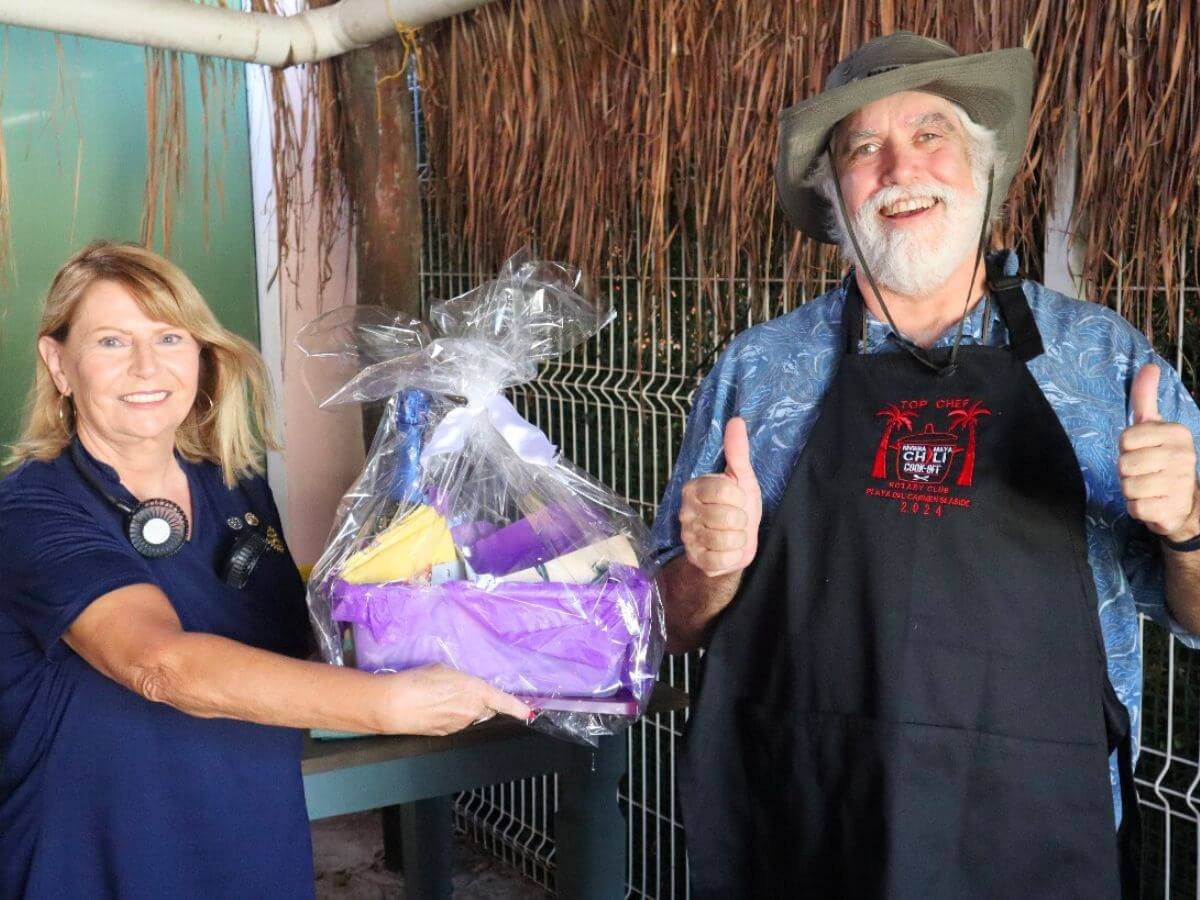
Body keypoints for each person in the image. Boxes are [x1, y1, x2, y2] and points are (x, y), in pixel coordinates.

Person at [652, 32, 1200, 898]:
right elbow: (665, 628)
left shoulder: (1106, 367)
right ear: (834, 193)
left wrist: (1190, 528)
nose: (900, 167)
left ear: (983, 168)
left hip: (1034, 838)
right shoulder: (757, 374)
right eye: (863, 147)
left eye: (931, 133)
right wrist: (709, 572)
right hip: (803, 828)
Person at [0, 241, 529, 900]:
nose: (146, 366)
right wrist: (391, 704)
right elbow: (158, 664)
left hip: (249, 838)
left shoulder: (235, 488)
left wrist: (415, 611)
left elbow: (294, 644)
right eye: (111, 341)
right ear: (59, 364)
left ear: (199, 353)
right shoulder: (31, 510)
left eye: (169, 336)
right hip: (96, 858)